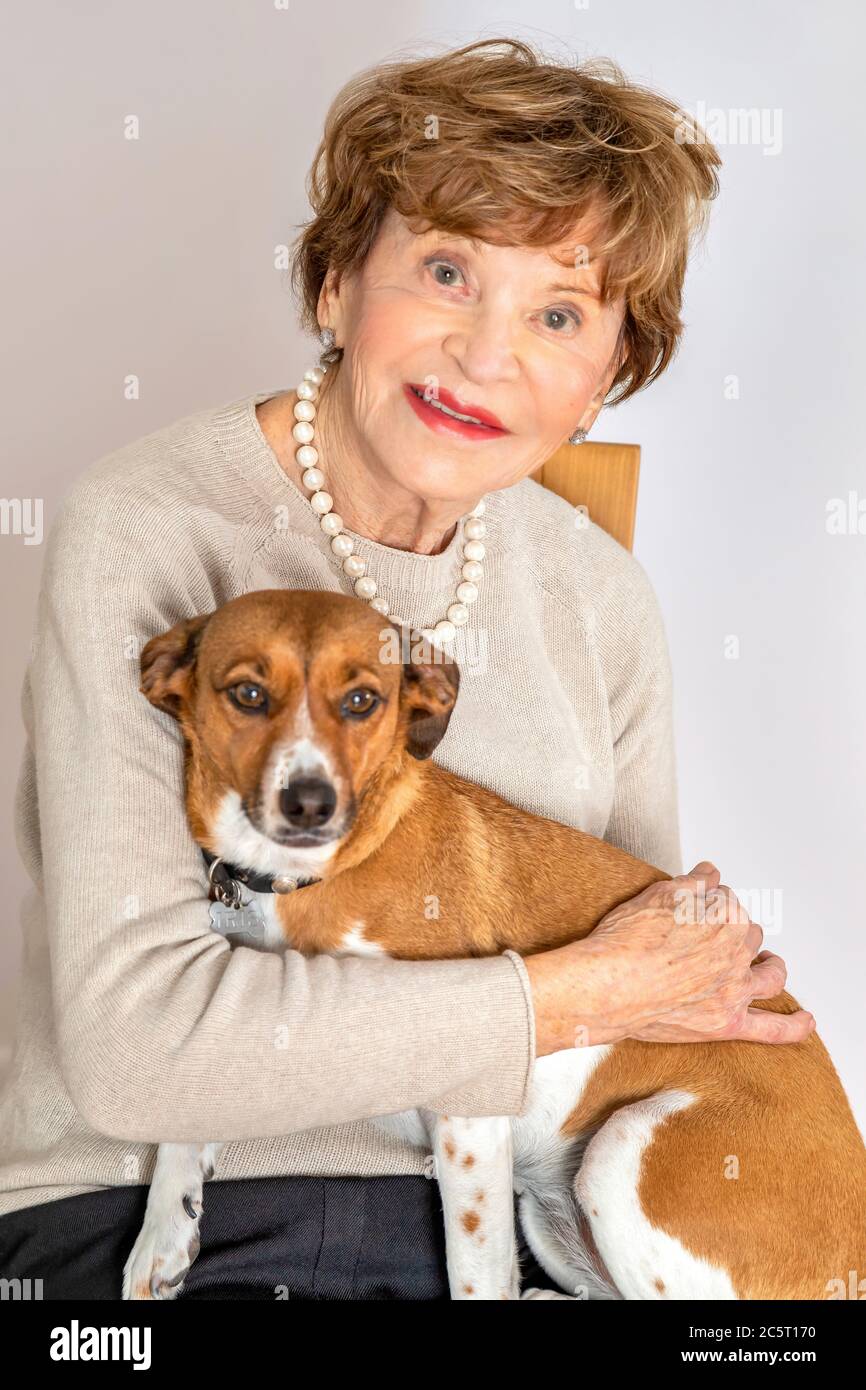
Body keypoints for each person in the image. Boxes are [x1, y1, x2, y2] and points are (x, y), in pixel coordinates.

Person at [0, 36, 813, 1300]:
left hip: (517, 1224)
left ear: (606, 375)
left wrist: (681, 972)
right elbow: (135, 1056)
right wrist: (550, 995)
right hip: (165, 1223)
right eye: (446, 271)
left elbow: (640, 987)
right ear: (332, 285)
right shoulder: (151, 526)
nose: (489, 354)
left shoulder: (598, 593)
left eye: (559, 311)